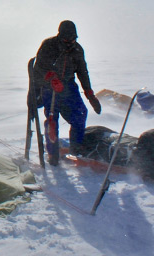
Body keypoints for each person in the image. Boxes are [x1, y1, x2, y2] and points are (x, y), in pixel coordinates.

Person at [30, 20, 101, 165]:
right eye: (66, 39)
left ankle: (76, 148)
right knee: (52, 121)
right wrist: (50, 78)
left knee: (80, 113)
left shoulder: (77, 50)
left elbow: (82, 71)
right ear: (60, 36)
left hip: (69, 87)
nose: (70, 42)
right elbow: (37, 69)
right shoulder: (49, 45)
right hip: (49, 88)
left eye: (73, 39)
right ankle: (52, 153)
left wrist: (89, 93)